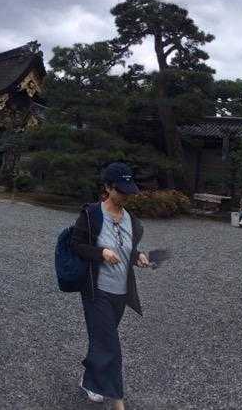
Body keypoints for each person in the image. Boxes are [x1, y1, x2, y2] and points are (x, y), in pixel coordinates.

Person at [66, 162, 154, 408]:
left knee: (102, 340)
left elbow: (127, 250)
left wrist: (138, 256)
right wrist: (101, 252)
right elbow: (76, 245)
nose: (125, 196)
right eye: (120, 190)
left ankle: (90, 379)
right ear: (107, 187)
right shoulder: (92, 214)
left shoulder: (131, 220)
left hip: (120, 293)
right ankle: (118, 403)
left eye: (128, 191)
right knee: (111, 347)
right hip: (97, 291)